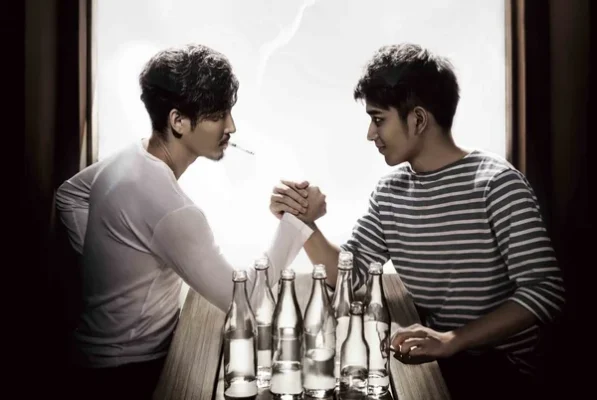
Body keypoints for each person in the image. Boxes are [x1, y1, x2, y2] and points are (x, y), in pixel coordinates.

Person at [270, 43, 565, 400]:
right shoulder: (390, 193)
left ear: (418, 120)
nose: (370, 133)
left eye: (379, 119)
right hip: (442, 362)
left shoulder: (497, 184)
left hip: (505, 370)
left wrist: (452, 340)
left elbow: (544, 291)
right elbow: (348, 273)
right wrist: (302, 221)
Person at [55, 44, 318, 400]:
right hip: (128, 376)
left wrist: (109, 262)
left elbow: (68, 195)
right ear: (178, 121)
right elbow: (245, 301)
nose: (231, 126)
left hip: (88, 363)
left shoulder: (128, 158)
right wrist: (297, 220)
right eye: (218, 115)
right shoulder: (173, 210)